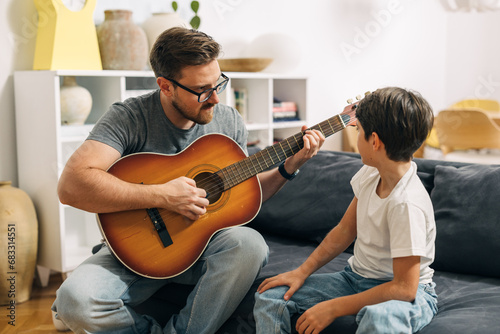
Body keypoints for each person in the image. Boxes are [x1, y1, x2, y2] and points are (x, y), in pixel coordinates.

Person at [51, 27, 324, 334]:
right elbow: (72, 185)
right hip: (137, 250)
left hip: (204, 245)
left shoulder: (228, 120)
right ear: (165, 86)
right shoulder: (130, 117)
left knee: (250, 244)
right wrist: (162, 196)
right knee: (74, 301)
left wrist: (288, 168)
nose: (214, 99)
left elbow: (243, 193)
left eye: (218, 83)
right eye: (202, 90)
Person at [254, 87, 438, 334]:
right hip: (355, 279)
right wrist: (300, 273)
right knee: (272, 296)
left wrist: (334, 307)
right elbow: (344, 230)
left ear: (374, 142)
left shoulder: (406, 203)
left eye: (359, 130)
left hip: (407, 294)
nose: (357, 136)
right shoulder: (372, 172)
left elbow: (405, 288)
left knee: (378, 318)